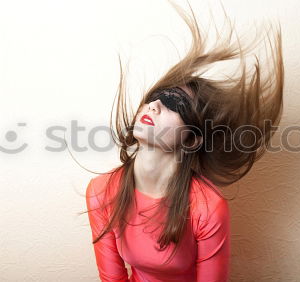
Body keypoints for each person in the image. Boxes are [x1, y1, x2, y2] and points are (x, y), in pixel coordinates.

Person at [84, 1, 284, 281]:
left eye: (174, 104)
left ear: (191, 140)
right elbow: (113, 279)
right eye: (153, 98)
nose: (152, 107)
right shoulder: (101, 192)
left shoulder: (207, 207)